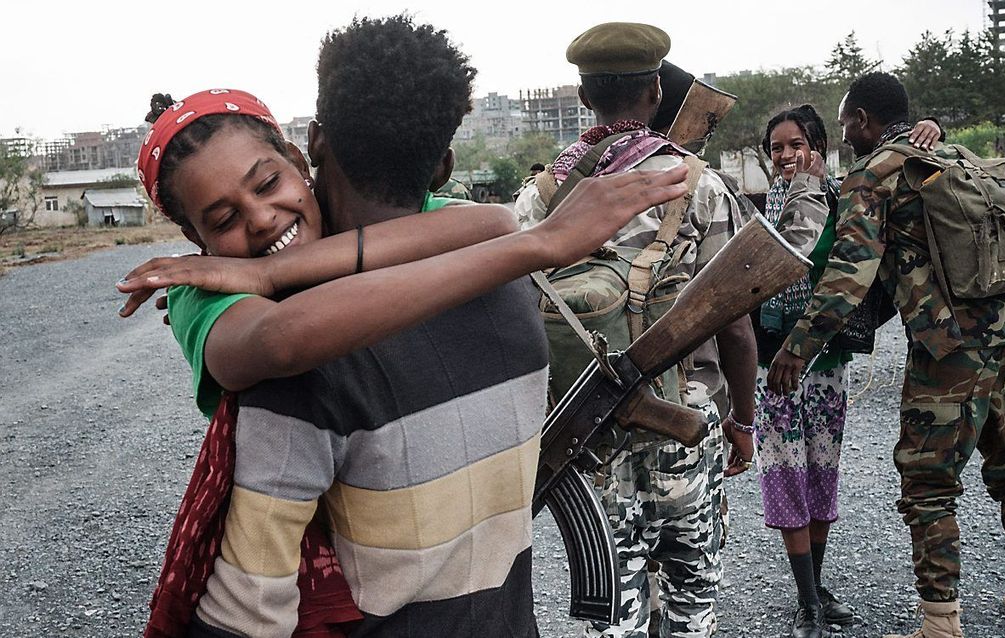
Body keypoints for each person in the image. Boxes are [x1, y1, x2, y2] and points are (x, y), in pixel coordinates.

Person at [119, 16, 690, 638]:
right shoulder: (207, 291)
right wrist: (541, 245)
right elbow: (282, 338)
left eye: (267, 184)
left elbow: (494, 225)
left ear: (304, 150)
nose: (259, 220)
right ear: (192, 240)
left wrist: (271, 274)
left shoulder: (339, 302)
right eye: (224, 216)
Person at [516, 23, 756, 638]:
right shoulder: (697, 182)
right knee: (689, 594)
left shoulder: (543, 194)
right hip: (684, 416)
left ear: (581, 94)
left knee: (612, 605)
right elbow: (734, 324)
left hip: (585, 429)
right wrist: (744, 420)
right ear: (655, 89)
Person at [767, 71, 1005, 638]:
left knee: (928, 482)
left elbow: (846, 278)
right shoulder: (954, 155)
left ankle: (939, 622)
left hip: (947, 352)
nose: (845, 136)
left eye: (844, 125)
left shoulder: (873, 175)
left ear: (861, 120)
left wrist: (796, 349)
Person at [754, 105, 944, 638]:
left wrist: (931, 127)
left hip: (826, 364)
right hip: (777, 369)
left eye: (796, 144)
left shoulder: (842, 197)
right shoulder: (767, 206)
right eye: (777, 148)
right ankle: (809, 603)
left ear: (817, 147)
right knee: (786, 476)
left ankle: (815, 587)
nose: (787, 155)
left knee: (822, 474)